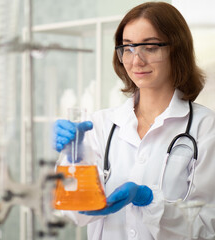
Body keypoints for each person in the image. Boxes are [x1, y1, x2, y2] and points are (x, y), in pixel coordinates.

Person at [53, 2, 215, 239]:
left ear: (176, 49)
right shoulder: (100, 125)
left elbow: (208, 228)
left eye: (150, 47)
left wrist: (151, 203)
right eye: (127, 48)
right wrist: (71, 159)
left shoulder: (205, 128)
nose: (136, 60)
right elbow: (76, 213)